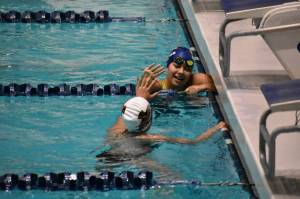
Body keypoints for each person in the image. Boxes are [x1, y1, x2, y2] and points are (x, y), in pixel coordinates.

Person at [96, 74, 227, 165]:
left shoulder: (116, 129)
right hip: (134, 158)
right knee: (171, 175)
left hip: (108, 155)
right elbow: (193, 141)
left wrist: (140, 97)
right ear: (149, 121)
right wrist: (218, 127)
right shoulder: (151, 137)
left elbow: (131, 111)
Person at [142, 47, 216, 95]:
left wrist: (199, 88)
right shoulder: (158, 87)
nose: (181, 71)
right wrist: (143, 83)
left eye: (187, 69)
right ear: (167, 66)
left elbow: (220, 87)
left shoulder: (194, 81)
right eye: (177, 66)